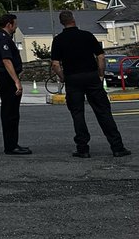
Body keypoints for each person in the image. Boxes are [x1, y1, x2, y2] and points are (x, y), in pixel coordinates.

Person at [50, 10, 130, 159]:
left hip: (73, 78)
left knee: (77, 113)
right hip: (91, 76)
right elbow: (100, 56)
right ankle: (117, 147)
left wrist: (63, 77)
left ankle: (83, 149)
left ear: (61, 22)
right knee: (103, 111)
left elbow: (55, 64)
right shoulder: (87, 36)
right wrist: (100, 74)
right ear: (73, 19)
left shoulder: (59, 40)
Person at [0, 13, 30, 155]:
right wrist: (16, 81)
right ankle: (11, 145)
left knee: (10, 111)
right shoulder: (3, 39)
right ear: (9, 24)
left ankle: (12, 143)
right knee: (10, 112)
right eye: (15, 24)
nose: (16, 26)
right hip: (6, 78)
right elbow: (7, 61)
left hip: (4, 77)